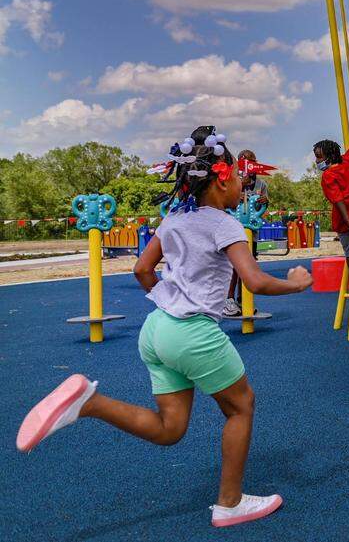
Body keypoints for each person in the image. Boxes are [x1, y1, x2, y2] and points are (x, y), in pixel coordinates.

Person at [16, 126, 312, 527]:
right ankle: (230, 502)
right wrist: (297, 283)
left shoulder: (173, 219)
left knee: (170, 428)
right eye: (240, 176)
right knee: (241, 408)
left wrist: (170, 299)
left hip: (157, 329)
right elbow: (255, 281)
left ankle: (90, 402)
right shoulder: (224, 223)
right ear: (222, 180)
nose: (246, 183)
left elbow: (141, 269)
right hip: (192, 333)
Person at [224, 149, 270, 317]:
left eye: (250, 161)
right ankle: (228, 300)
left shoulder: (261, 185)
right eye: (243, 161)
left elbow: (261, 207)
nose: (247, 164)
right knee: (234, 267)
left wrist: (265, 202)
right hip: (234, 231)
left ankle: (244, 299)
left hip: (251, 231)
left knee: (248, 267)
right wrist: (240, 184)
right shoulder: (233, 181)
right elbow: (227, 202)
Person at [314, 124, 349, 276]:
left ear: (328, 156)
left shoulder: (328, 175)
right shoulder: (346, 162)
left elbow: (337, 198)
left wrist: (347, 220)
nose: (317, 160)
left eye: (319, 157)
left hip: (344, 219)